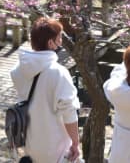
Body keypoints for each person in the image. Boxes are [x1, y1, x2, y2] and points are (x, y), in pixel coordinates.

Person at [10, 17, 80, 163]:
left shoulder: (18, 70)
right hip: (56, 147)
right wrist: (75, 142)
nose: (61, 41)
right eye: (60, 37)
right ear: (50, 43)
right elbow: (69, 112)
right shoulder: (58, 73)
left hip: (30, 143)